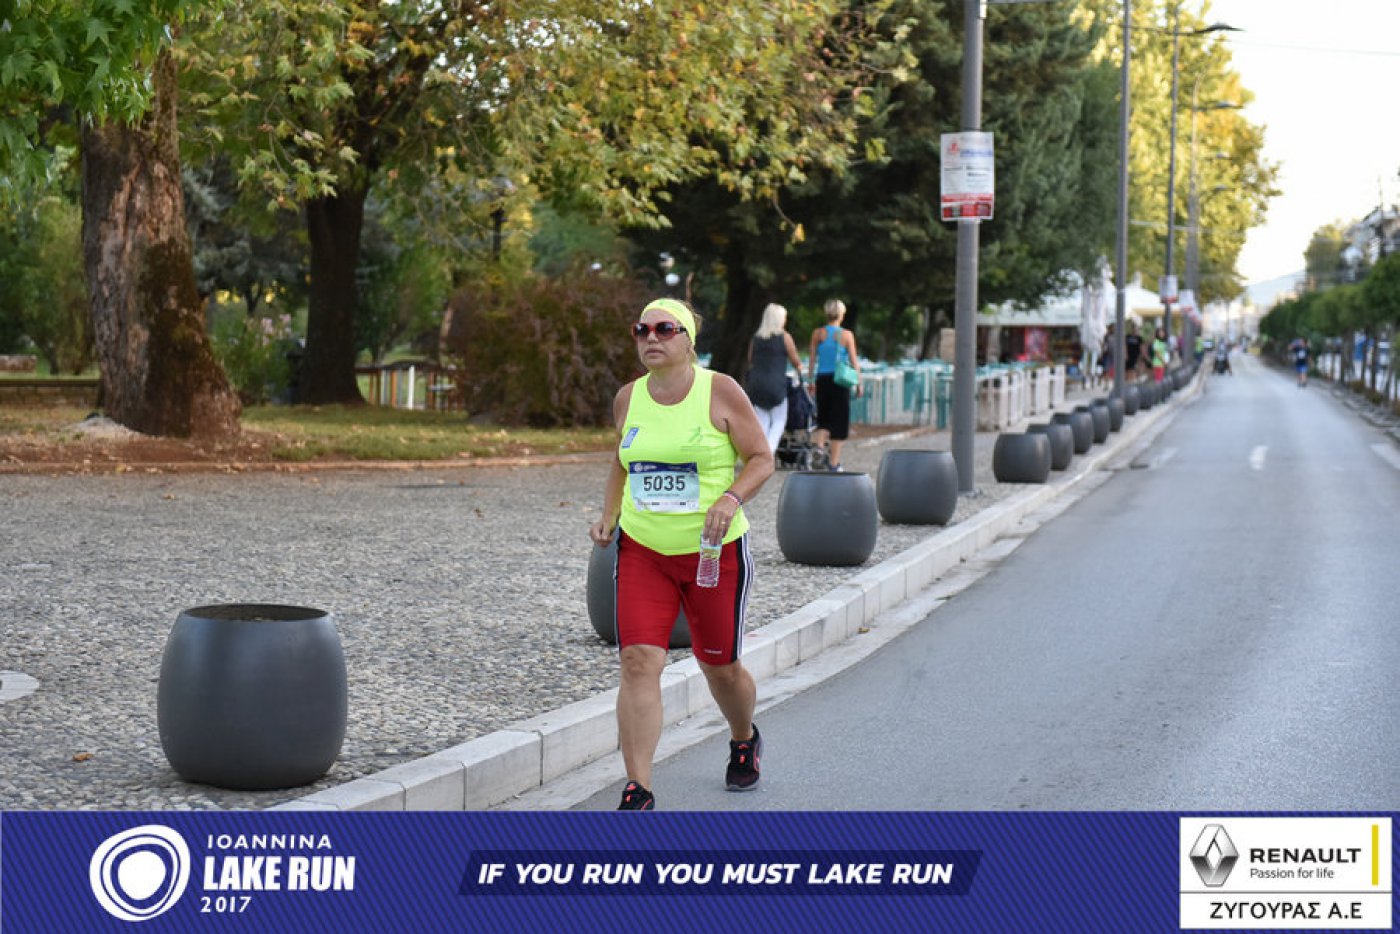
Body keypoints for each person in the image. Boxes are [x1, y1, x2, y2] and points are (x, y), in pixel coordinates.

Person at [589, 298, 774, 811]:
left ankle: (743, 738)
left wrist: (730, 498)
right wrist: (609, 515)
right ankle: (638, 788)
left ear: (688, 340)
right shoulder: (628, 398)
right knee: (637, 661)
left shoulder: (720, 391)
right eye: (642, 329)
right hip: (643, 551)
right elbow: (622, 461)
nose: (651, 337)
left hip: (714, 553)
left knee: (720, 667)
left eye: (665, 328)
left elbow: (761, 458)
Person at [806, 298, 862, 471]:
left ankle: (819, 447)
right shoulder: (847, 335)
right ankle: (833, 464)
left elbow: (812, 360)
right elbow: (854, 361)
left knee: (824, 418)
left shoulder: (818, 334)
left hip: (822, 379)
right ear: (841, 314)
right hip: (840, 380)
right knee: (839, 421)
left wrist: (810, 381)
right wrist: (859, 383)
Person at [745, 303, 805, 454]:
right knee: (779, 420)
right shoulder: (784, 337)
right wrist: (800, 368)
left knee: (762, 421)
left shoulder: (756, 338)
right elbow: (796, 362)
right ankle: (768, 453)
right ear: (780, 319)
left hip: (756, 385)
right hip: (776, 386)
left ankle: (759, 452)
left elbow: (750, 359)